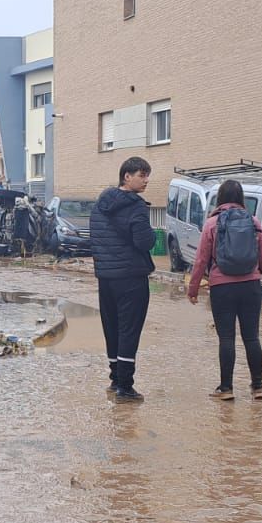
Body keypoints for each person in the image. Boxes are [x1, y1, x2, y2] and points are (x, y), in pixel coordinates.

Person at [185, 180, 262, 401]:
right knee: (252, 337)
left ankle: (226, 388)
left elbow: (200, 260)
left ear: (220, 199)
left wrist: (193, 288)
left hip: (222, 287)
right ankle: (258, 388)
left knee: (226, 338)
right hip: (251, 286)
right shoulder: (254, 222)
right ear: (241, 198)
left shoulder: (212, 224)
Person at [90, 157, 155, 403]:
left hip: (105, 277)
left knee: (112, 327)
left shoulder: (100, 204)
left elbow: (94, 239)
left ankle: (115, 378)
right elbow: (145, 242)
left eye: (147, 175)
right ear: (127, 176)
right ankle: (125, 387)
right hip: (130, 277)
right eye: (142, 174)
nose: (146, 180)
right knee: (129, 329)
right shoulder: (135, 206)